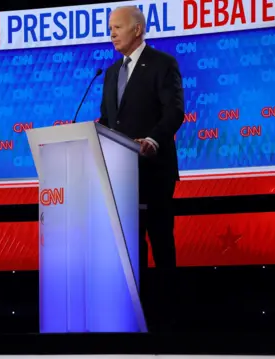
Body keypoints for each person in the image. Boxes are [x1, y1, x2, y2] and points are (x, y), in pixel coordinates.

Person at [99, 6, 184, 329]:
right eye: (110, 28)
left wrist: (153, 139)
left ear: (137, 30)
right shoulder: (109, 73)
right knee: (131, 244)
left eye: (117, 27)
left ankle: (169, 317)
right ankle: (137, 313)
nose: (112, 33)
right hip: (122, 174)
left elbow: (175, 111)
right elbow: (108, 120)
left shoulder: (163, 64)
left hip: (154, 169)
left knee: (160, 239)